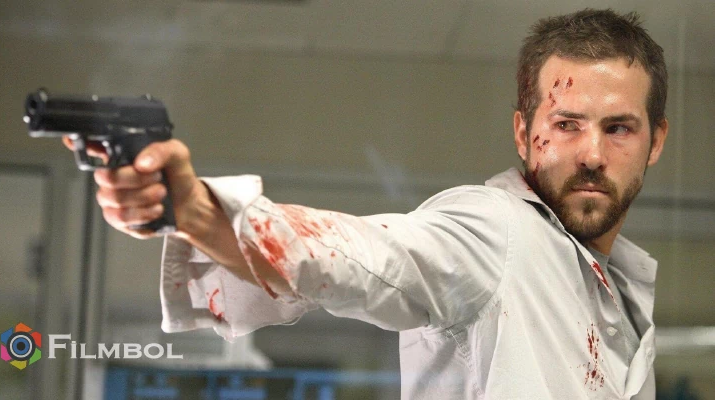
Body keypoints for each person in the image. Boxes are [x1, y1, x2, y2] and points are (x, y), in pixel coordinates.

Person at [65, 8, 669, 399]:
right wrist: (197, 211)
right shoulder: (497, 231)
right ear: (522, 132)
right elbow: (370, 256)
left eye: (618, 128)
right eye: (566, 124)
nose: (592, 154)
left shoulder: (621, 291)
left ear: (656, 141)